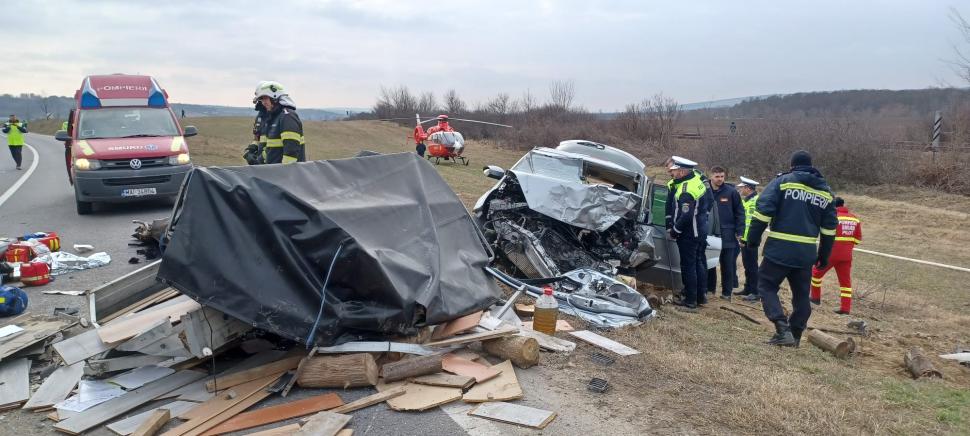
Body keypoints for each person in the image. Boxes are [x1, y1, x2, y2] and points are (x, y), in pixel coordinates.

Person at [745, 150, 837, 346]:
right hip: (805, 254)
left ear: (792, 165)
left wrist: (752, 240)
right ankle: (795, 335)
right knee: (802, 294)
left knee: (766, 285)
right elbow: (829, 229)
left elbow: (762, 212)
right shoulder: (825, 192)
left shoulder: (783, 182)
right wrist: (824, 255)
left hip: (779, 249)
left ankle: (781, 328)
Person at [667, 156, 711, 311]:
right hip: (700, 230)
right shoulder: (696, 181)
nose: (673, 173)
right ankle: (700, 296)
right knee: (697, 263)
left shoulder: (686, 189)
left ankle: (690, 301)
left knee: (688, 266)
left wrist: (674, 231)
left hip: (689, 233)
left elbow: (685, 215)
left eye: (675, 170)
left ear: (682, 171)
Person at [810, 197, 862, 315]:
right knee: (845, 283)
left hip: (831, 253)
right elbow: (858, 239)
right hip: (847, 256)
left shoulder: (833, 217)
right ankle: (845, 308)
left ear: (834, 206)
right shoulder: (855, 219)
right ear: (843, 205)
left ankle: (815, 298)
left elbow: (826, 235)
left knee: (816, 273)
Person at [706, 167, 745, 301]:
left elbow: (740, 212)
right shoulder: (705, 190)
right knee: (709, 263)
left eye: (722, 176)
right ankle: (709, 289)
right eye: (717, 176)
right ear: (711, 176)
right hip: (709, 233)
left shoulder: (731, 192)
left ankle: (726, 293)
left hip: (728, 234)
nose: (720, 179)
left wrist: (740, 231)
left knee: (727, 265)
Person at [253, 81, 305, 164]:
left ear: (275, 97)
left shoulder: (287, 116)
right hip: (274, 172)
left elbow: (291, 151)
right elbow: (271, 149)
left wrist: (284, 173)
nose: (263, 102)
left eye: (265, 98)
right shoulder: (275, 117)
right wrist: (259, 161)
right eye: (261, 99)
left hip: (285, 174)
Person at [736, 177, 761, 299]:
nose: (740, 189)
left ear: (747, 188)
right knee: (747, 265)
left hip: (752, 239)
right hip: (744, 238)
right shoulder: (746, 201)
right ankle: (748, 288)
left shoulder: (757, 201)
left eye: (741, 187)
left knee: (752, 266)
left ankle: (755, 292)